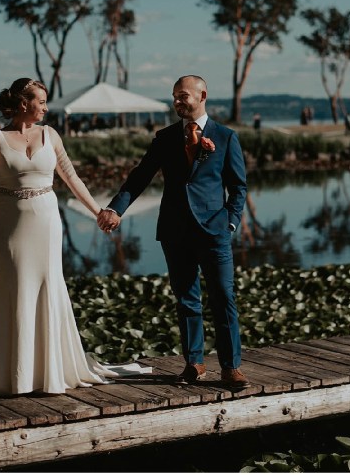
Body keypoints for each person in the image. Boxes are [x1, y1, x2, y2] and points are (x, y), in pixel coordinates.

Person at [0, 77, 148, 397]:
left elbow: (71, 177)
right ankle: (16, 375)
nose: (45, 108)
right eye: (41, 102)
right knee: (16, 287)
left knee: (49, 284)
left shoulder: (50, 134)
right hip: (9, 222)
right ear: (24, 103)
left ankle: (49, 371)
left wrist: (99, 212)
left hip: (46, 219)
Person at [96, 75, 250, 390]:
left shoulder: (225, 137)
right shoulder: (165, 137)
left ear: (202, 96)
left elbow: (238, 187)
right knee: (186, 300)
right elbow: (140, 176)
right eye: (174, 96)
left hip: (214, 231)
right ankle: (194, 364)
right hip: (174, 230)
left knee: (223, 298)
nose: (177, 102)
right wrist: (116, 209)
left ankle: (231, 368)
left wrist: (230, 222)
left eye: (183, 96)